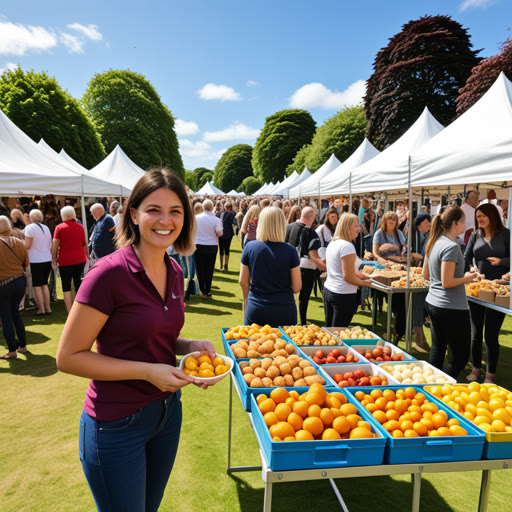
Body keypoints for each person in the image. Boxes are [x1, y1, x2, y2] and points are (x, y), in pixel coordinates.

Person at [56, 167, 215, 512]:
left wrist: (189, 347)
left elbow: (155, 336)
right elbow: (68, 357)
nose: (165, 220)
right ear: (133, 214)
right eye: (154, 210)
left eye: (175, 211)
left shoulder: (174, 271)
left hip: (167, 415)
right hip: (115, 425)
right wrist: (147, 372)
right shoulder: (107, 273)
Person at [423, 206, 478, 379]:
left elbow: (426, 275)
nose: (465, 224)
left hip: (434, 302)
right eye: (463, 221)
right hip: (450, 306)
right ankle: (440, 386)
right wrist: (467, 278)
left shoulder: (434, 241)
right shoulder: (451, 247)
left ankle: (430, 388)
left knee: (438, 349)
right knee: (460, 357)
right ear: (455, 223)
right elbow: (447, 282)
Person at [464, 203, 510, 383]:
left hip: (498, 291)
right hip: (477, 290)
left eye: (483, 216)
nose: (480, 220)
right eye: (478, 217)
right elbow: (466, 257)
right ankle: (476, 369)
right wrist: (472, 270)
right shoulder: (475, 235)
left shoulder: (506, 234)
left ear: (492, 215)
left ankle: (490, 375)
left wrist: (501, 261)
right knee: (476, 333)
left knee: (491, 334)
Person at [239, 207, 301, 326]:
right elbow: (297, 287)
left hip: (256, 307)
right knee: (284, 344)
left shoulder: (250, 247)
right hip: (284, 309)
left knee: (254, 344)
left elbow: (243, 281)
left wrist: (247, 301)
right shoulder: (290, 251)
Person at [323, 213, 372, 327]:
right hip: (342, 295)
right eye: (355, 226)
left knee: (330, 333)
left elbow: (348, 270)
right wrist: (365, 284)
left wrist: (365, 276)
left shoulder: (333, 242)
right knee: (339, 335)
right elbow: (348, 276)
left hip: (329, 290)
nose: (358, 229)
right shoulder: (347, 246)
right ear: (346, 226)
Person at [285, 206, 327, 325]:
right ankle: (302, 321)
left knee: (288, 293)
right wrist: (326, 267)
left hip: (287, 265)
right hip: (306, 268)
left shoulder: (288, 227)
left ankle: (289, 318)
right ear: (313, 217)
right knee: (304, 296)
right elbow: (314, 256)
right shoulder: (310, 232)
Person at [0, 216, 29, 359]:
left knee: (6, 317)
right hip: (19, 282)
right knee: (16, 314)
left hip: (4, 284)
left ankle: (12, 350)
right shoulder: (19, 242)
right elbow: (27, 266)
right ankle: (22, 347)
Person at [51, 206, 89, 313]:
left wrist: (53, 258)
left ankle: (70, 312)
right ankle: (80, 310)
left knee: (66, 286)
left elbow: (54, 246)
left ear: (63, 215)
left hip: (65, 261)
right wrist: (88, 256)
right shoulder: (80, 227)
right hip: (80, 259)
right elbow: (85, 244)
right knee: (78, 284)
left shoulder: (59, 227)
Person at [24, 209, 53, 315]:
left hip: (36, 261)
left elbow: (27, 246)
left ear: (31, 218)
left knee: (37, 285)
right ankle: (48, 308)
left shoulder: (29, 228)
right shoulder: (46, 227)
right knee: (44, 284)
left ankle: (41, 309)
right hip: (47, 259)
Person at [411, 214, 432, 353]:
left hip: (428, 279)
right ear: (418, 226)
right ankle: (421, 338)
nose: (429, 224)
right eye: (425, 222)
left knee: (417, 304)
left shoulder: (430, 237)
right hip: (426, 278)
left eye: (429, 222)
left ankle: (420, 337)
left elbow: (427, 257)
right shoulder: (426, 237)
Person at [194, 199, 222, 299]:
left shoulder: (196, 218)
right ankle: (206, 290)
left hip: (199, 245)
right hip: (211, 246)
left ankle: (203, 290)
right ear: (212, 207)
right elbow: (220, 233)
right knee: (209, 269)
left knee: (200, 269)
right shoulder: (216, 220)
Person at [218, 202, 236, 271]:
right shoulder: (232, 214)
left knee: (221, 250)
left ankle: (221, 265)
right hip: (228, 234)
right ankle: (225, 266)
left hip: (222, 233)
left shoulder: (223, 214)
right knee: (227, 249)